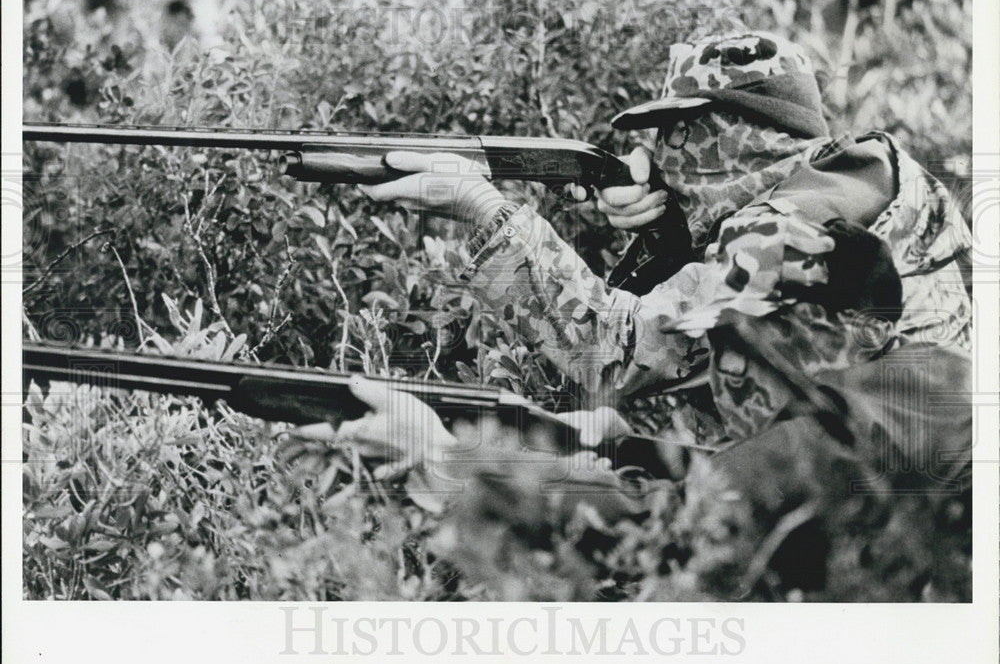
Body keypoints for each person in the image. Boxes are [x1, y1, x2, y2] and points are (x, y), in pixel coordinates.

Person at [291, 31, 972, 533]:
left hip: (874, 514)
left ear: (731, 133)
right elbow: (734, 388)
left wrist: (481, 208)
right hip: (906, 491)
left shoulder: (770, 229)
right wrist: (669, 236)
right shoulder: (864, 176)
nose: (658, 158)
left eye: (674, 133)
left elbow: (616, 352)